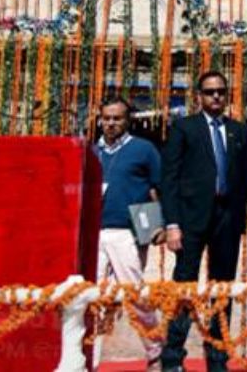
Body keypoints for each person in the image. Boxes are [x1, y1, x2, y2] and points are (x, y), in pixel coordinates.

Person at [160, 71, 247, 372]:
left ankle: (217, 355)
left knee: (223, 288)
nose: (216, 96)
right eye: (209, 92)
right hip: (190, 220)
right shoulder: (184, 129)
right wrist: (171, 224)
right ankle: (173, 357)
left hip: (228, 219)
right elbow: (169, 180)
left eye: (221, 91)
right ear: (199, 97)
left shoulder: (238, 131)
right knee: (184, 285)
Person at [94, 97, 163, 370]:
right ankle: (91, 361)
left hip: (128, 233)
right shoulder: (91, 151)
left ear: (127, 120)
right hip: (95, 233)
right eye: (107, 118)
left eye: (117, 118)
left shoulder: (144, 149)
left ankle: (156, 351)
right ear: (100, 119)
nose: (111, 123)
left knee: (135, 297)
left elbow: (157, 188)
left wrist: (158, 225)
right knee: (95, 299)